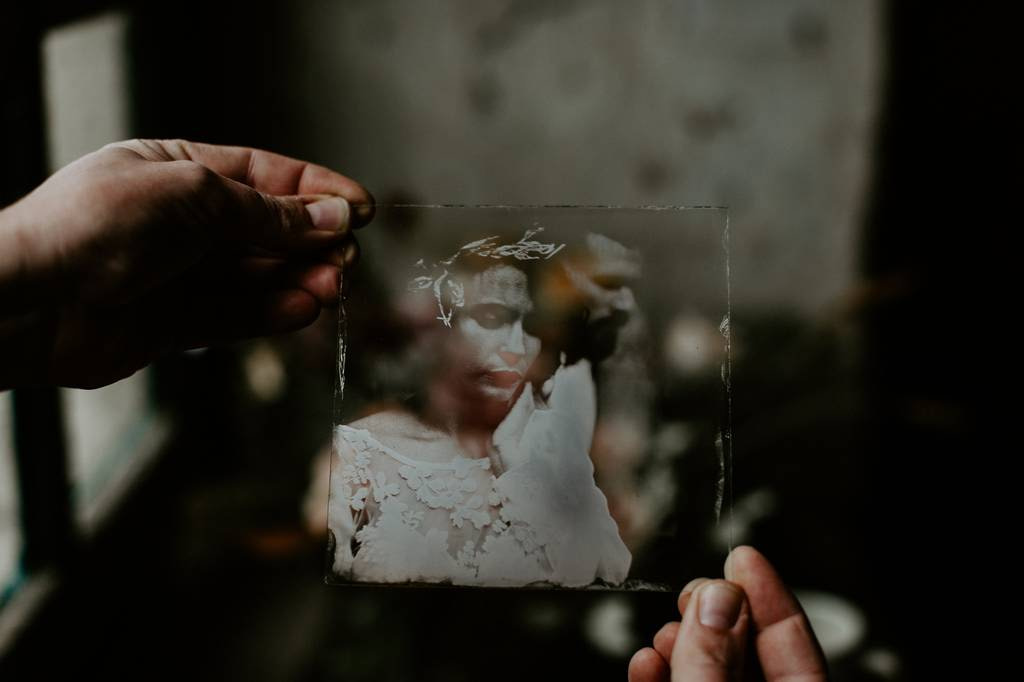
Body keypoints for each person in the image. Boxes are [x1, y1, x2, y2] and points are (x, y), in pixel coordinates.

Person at [0, 140, 826, 680]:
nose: (485, 361)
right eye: (464, 335)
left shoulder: (596, 464)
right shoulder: (378, 451)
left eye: (516, 340)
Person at [328, 243, 632, 587]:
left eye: (526, 330)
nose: (511, 347)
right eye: (488, 320)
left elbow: (608, 568)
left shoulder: (552, 454)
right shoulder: (372, 446)